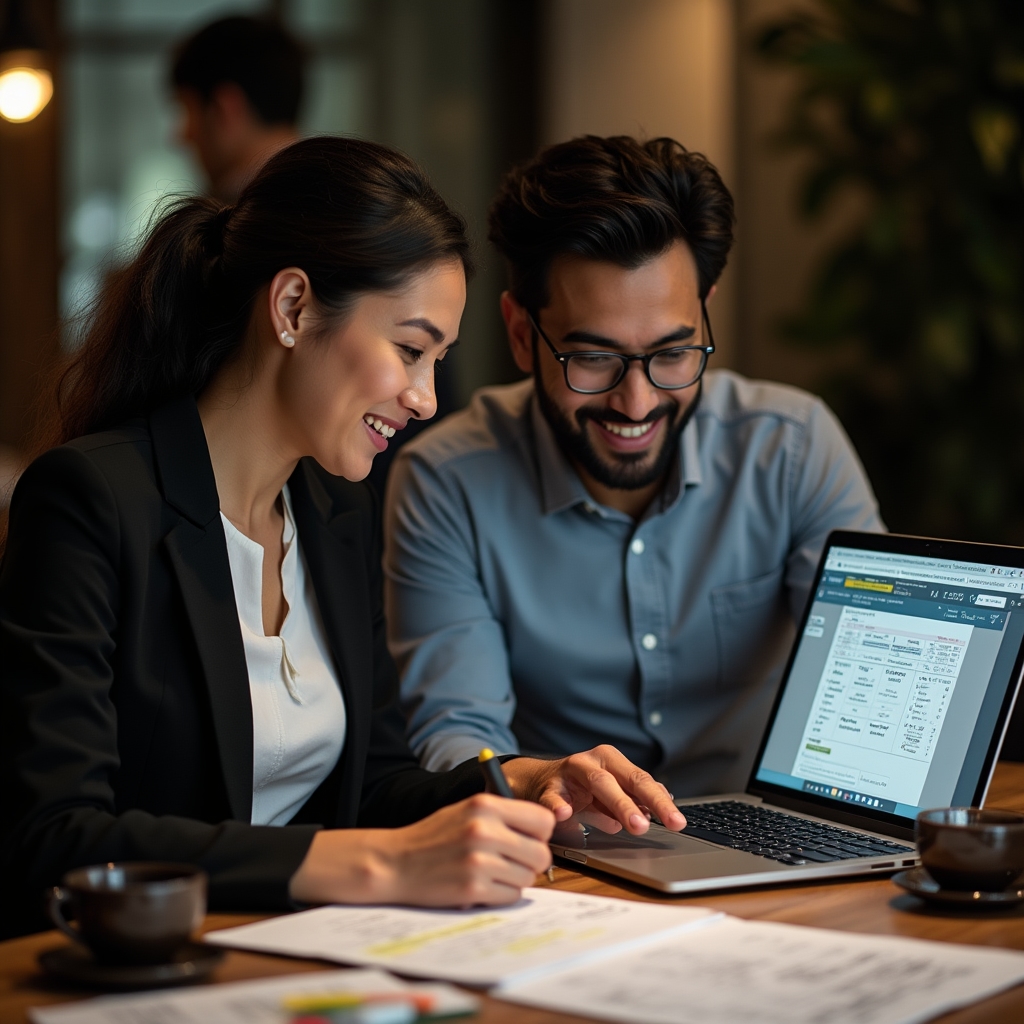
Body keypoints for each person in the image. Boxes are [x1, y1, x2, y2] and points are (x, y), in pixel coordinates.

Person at [0, 137, 686, 939]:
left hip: (306, 954)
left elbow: (376, 785)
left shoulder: (333, 512)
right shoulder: (92, 499)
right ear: (292, 308)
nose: (427, 398)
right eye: (409, 349)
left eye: (439, 359)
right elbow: (51, 840)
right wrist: (375, 864)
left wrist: (522, 781)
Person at [384, 135, 884, 797]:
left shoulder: (792, 448)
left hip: (778, 845)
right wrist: (538, 779)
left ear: (704, 312)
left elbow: (868, 681)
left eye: (673, 354)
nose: (638, 402)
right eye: (593, 358)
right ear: (521, 336)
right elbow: (457, 736)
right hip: (575, 856)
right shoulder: (446, 482)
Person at [171, 16, 304, 202]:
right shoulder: (343, 192)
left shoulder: (234, 214)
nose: (181, 136)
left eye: (188, 111)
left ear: (224, 110)